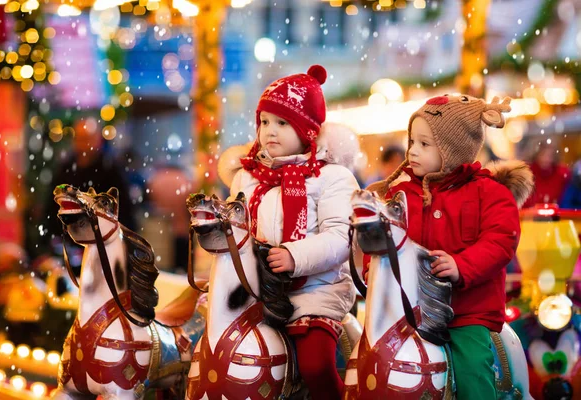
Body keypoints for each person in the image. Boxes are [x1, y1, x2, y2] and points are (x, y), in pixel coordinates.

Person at [366, 95, 534, 400]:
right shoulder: (401, 194)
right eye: (412, 141)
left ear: (452, 149)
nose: (413, 151)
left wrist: (461, 265)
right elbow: (385, 241)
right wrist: (375, 271)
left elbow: (500, 241)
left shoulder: (489, 193)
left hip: (465, 311)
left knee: (471, 369)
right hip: (409, 310)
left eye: (425, 144)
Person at [219, 65, 358, 399]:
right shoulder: (247, 178)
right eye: (265, 122)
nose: (270, 131)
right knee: (211, 349)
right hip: (257, 290)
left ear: (307, 131)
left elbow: (340, 238)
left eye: (282, 123)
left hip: (315, 291)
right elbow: (236, 231)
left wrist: (295, 256)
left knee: (315, 364)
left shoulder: (332, 177)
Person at [42, 118, 137, 261]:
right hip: (69, 244)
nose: (84, 143)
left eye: (87, 138)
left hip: (103, 246)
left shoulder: (110, 170)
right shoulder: (66, 169)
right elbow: (52, 205)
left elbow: (124, 209)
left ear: (98, 140)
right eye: (80, 138)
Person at [523, 142, 570, 208]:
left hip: (554, 215)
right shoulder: (527, 173)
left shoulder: (561, 174)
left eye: (549, 156)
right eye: (542, 155)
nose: (546, 159)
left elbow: (565, 199)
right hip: (529, 215)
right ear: (537, 156)